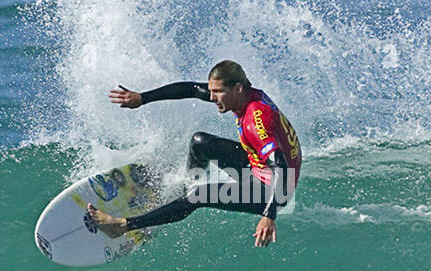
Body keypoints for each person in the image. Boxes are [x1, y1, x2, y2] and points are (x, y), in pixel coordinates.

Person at [85, 60, 301, 247]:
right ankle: (181, 192)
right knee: (200, 142)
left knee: (199, 196)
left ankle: (122, 226)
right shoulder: (244, 95)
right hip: (257, 166)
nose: (213, 97)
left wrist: (268, 216)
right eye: (212, 91)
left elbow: (281, 168)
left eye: (218, 92)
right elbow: (192, 89)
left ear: (237, 88)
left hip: (273, 191)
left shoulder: (256, 120)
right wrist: (142, 98)